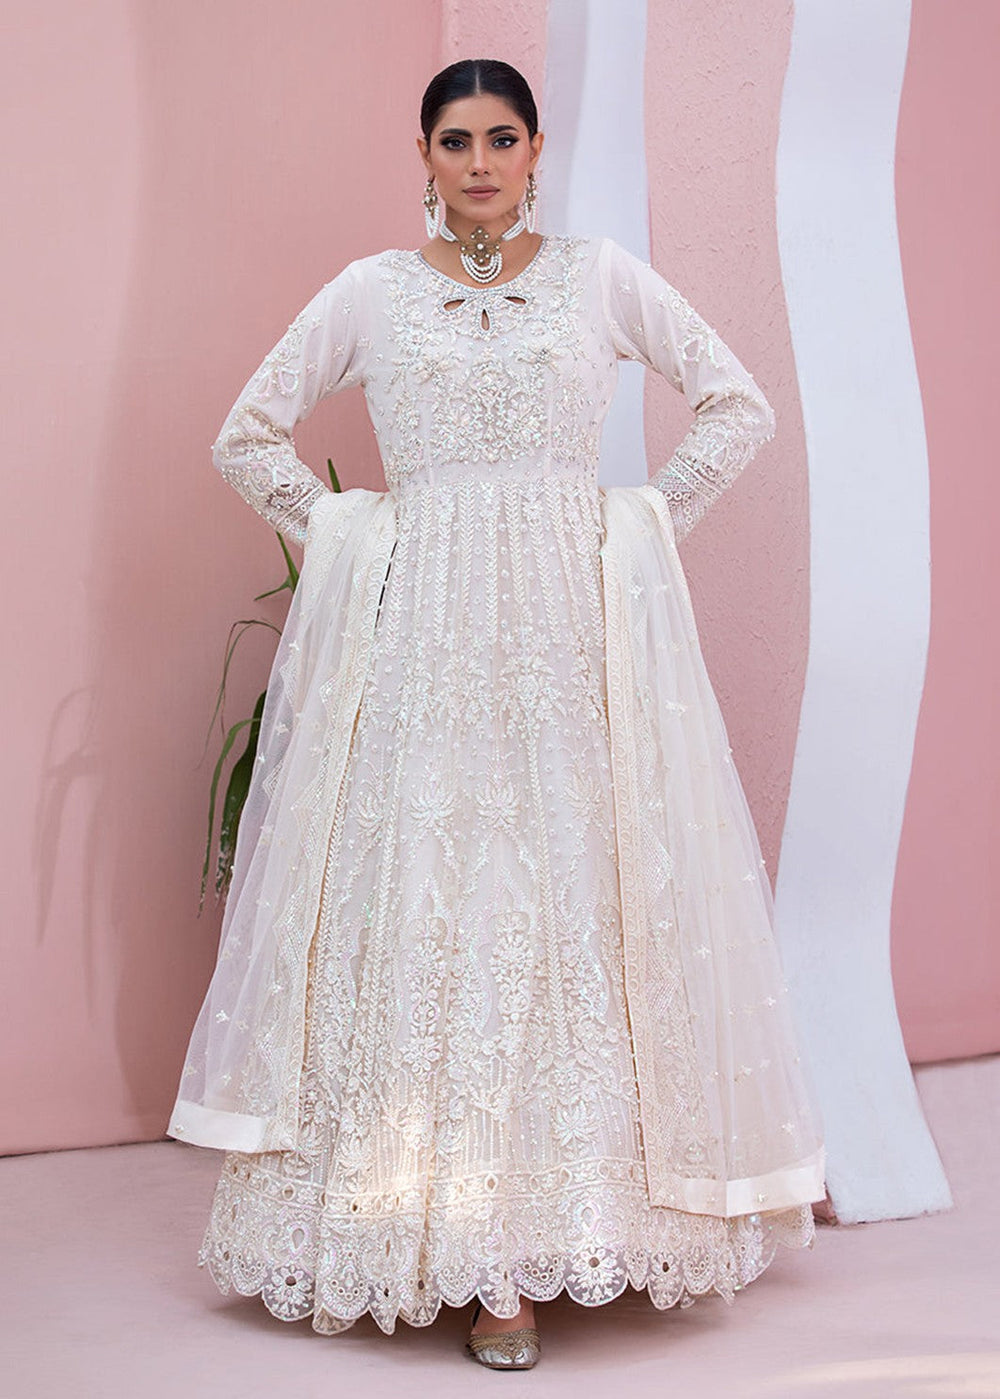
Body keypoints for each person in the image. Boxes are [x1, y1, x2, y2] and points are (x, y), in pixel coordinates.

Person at [167, 57, 826, 1370]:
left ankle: (570, 1225)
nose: (481, 162)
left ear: (535, 151)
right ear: (422, 152)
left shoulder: (598, 278)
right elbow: (246, 434)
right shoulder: (372, 292)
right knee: (429, 900)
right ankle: (453, 1249)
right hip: (420, 636)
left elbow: (736, 401)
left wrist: (638, 525)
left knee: (572, 898)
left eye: (504, 138)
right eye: (457, 139)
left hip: (571, 634)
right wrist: (357, 536)